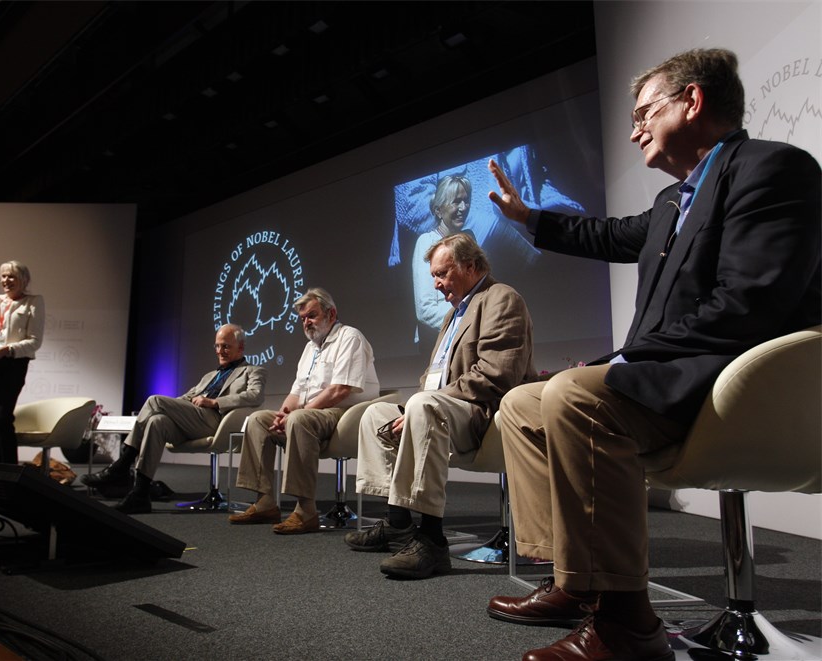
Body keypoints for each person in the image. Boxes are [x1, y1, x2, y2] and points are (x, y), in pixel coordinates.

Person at [484, 48, 820, 661]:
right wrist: (528, 219)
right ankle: (574, 581)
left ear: (693, 102)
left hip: (735, 380)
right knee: (521, 404)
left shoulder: (772, 168)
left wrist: (623, 361)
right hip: (674, 376)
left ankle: (626, 624)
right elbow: (606, 234)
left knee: (573, 395)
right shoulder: (674, 202)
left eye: (645, 111)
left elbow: (751, 305)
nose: (635, 127)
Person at [345, 232, 535, 578]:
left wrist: (427, 402)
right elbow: (432, 377)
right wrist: (413, 407)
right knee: (377, 414)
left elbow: (497, 375)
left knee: (422, 406)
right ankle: (398, 523)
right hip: (441, 407)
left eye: (441, 274)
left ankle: (432, 541)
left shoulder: (501, 299)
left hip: (483, 415)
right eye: (433, 276)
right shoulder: (452, 316)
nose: (435, 285)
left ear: (472, 266)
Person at [229, 288, 380, 534]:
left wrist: (295, 414)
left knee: (299, 419)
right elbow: (296, 393)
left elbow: (339, 390)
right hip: (315, 413)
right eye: (302, 319)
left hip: (344, 414)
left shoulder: (350, 337)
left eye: (312, 315)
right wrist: (281, 415)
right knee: (259, 420)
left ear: (331, 314)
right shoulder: (310, 348)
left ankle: (305, 510)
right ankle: (265, 501)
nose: (306, 322)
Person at [82, 324, 266, 514]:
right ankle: (140, 494)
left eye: (226, 346)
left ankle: (122, 465)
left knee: (154, 400)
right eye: (217, 346)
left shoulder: (253, 371)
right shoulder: (210, 376)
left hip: (216, 422)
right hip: (193, 419)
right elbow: (185, 398)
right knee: (157, 421)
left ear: (241, 347)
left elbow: (255, 396)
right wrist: (170, 408)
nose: (220, 351)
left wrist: (215, 402)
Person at [0, 260, 45, 464]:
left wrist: (8, 350)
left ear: (24, 280)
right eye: (3, 276)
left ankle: (9, 470)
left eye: (11, 276)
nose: (6, 280)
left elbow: (35, 342)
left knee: (1, 419)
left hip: (12, 365)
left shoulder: (34, 302)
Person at [412, 175, 473, 346]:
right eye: (456, 202)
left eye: (466, 200)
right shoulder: (426, 242)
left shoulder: (469, 239)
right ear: (438, 210)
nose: (463, 207)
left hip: (469, 337)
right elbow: (425, 310)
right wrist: (469, 321)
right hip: (437, 341)